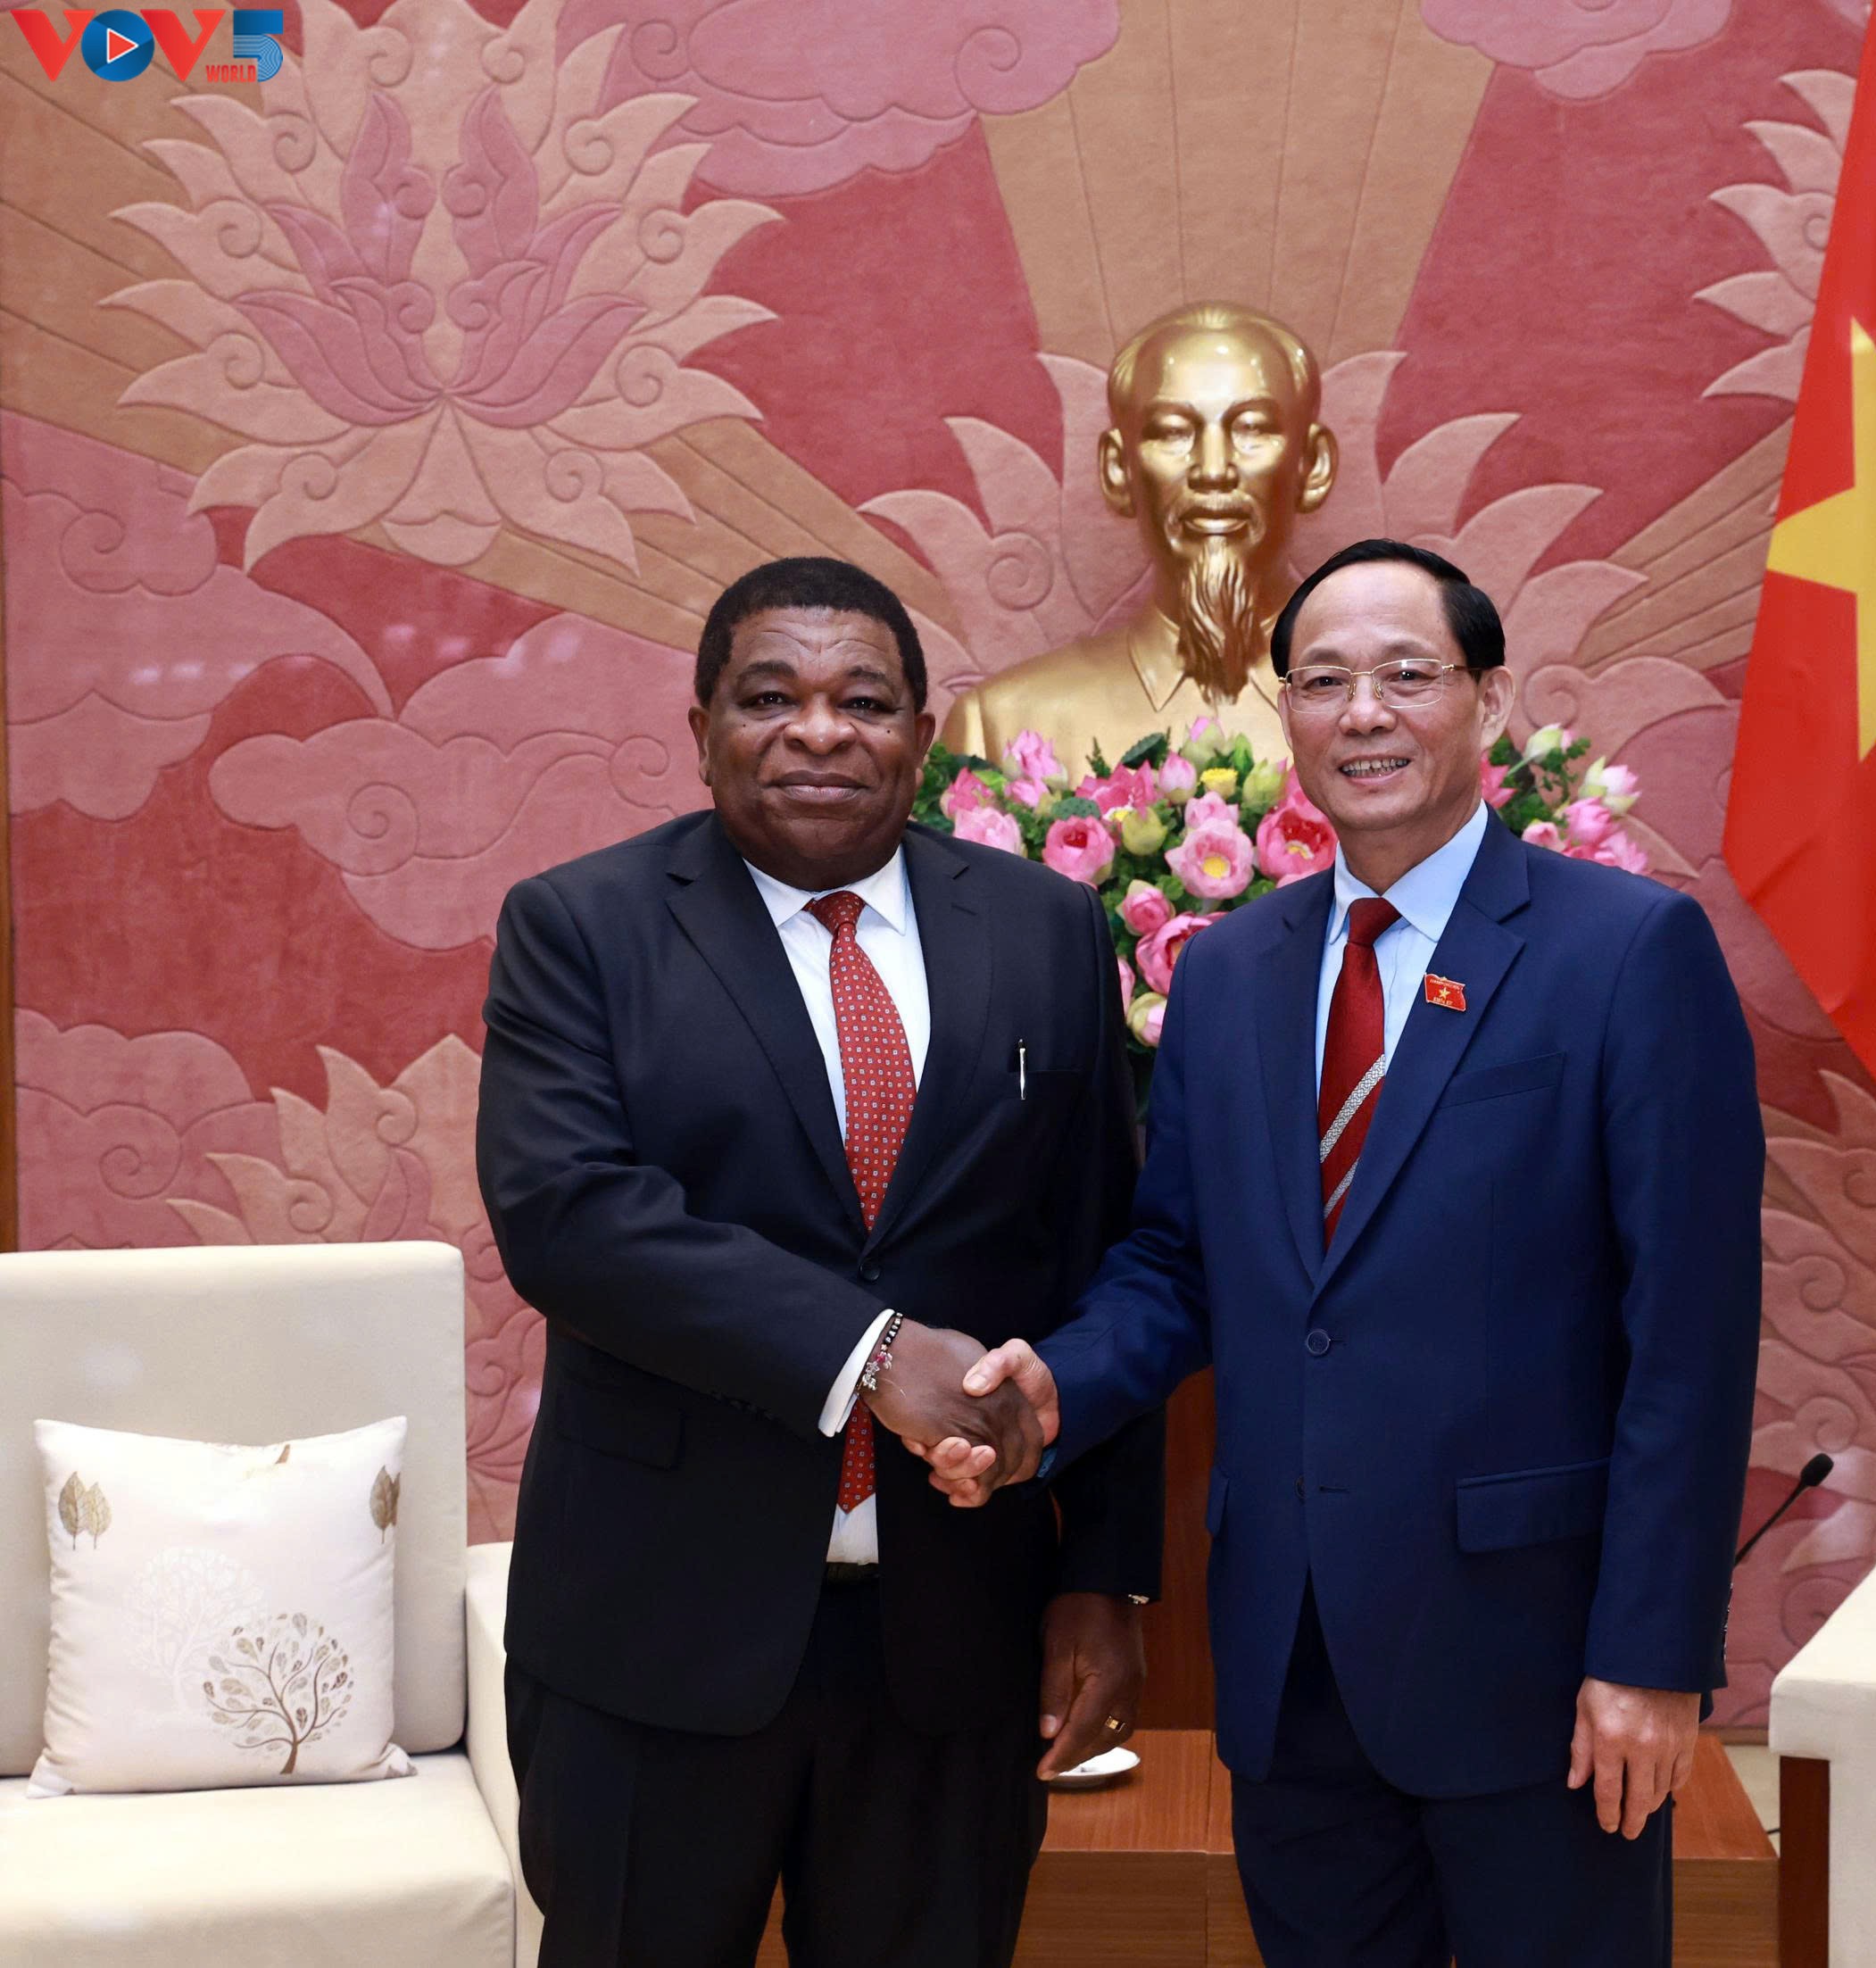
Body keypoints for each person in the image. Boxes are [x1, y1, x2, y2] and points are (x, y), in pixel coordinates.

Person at [930, 539, 1764, 1967]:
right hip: (1292, 1659)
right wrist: (1059, 1387)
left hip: (1539, 1669)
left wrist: (1652, 1656)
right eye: (1321, 681)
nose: (1362, 712)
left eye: (1406, 673)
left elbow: (1689, 1334)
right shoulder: (1229, 972)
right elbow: (1177, 1263)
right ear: (1288, 719)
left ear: (1488, 698)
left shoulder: (1627, 951)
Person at [476, 555, 1164, 1968]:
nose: (818, 732)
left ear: (921, 731)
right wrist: (872, 1356)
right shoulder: (582, 927)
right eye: (769, 697)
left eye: (863, 700)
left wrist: (1103, 1576)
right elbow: (572, 1217)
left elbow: (1104, 1254)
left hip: (955, 1642)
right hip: (655, 1635)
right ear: (702, 728)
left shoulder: (1044, 929)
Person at [939, 301, 1338, 775]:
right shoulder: (1000, 727)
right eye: (1172, 432)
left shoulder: (1385, 717)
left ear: (1313, 465)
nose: (1213, 470)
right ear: (1117, 470)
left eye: (1252, 429)